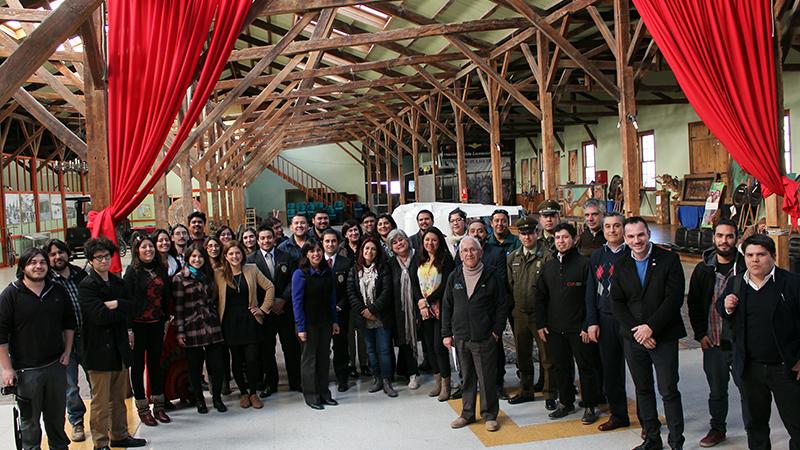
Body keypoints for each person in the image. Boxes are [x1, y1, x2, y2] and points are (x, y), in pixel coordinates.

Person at [718, 234, 800, 450]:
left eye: (761, 255)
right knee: (755, 426)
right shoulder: (736, 283)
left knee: (797, 425)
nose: (755, 260)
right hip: (750, 369)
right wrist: (726, 306)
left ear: (772, 256)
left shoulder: (791, 283)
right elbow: (722, 310)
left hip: (785, 369)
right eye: (750, 255)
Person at [611, 217, 685, 450]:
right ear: (625, 238)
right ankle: (652, 439)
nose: (637, 240)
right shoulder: (621, 264)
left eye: (640, 235)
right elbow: (617, 302)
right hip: (634, 339)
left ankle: (676, 442)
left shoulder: (668, 260)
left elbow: (673, 299)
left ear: (648, 234)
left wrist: (650, 328)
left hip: (663, 336)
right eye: (631, 236)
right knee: (643, 389)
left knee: (668, 390)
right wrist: (638, 332)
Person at [0, 248, 74, 450]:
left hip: (55, 367)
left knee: (57, 420)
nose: (38, 266)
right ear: (23, 267)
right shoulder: (10, 295)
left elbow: (69, 323)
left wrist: (67, 352)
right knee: (30, 425)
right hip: (27, 371)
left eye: (42, 262)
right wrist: (7, 369)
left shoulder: (57, 291)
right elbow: (1, 336)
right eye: (33, 262)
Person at [79, 237, 146, 449]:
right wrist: (121, 310)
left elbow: (134, 307)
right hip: (98, 350)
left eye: (107, 256)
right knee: (100, 402)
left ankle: (119, 435)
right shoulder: (87, 285)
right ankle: (100, 442)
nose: (104, 261)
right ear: (91, 260)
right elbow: (98, 316)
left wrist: (116, 304)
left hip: (119, 348)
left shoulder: (118, 282)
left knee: (119, 397)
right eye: (99, 258)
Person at [687, 218, 748, 447]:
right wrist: (699, 333)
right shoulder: (704, 269)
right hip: (712, 340)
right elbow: (693, 303)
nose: (724, 241)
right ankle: (717, 429)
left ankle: (754, 430)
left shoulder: (746, 267)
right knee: (717, 390)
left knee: (748, 390)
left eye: (729, 236)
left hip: (741, 343)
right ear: (713, 237)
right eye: (720, 236)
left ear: (737, 238)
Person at [535, 223, 601, 424]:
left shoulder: (584, 264)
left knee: (586, 368)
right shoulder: (549, 266)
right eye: (557, 238)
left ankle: (590, 405)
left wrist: (587, 325)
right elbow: (540, 296)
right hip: (555, 328)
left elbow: (591, 298)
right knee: (560, 367)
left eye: (565, 237)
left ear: (574, 239)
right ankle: (565, 402)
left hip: (579, 329)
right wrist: (541, 323)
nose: (561, 241)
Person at [441, 236, 507, 432]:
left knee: (486, 379)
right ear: (460, 255)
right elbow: (446, 306)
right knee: (467, 378)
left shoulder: (492, 276)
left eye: (472, 250)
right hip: (461, 337)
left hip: (485, 337)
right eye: (465, 251)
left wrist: (496, 332)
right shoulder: (455, 276)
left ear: (480, 252)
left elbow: (502, 306)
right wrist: (446, 333)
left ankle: (489, 415)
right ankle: (467, 414)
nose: (469, 254)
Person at [584, 212, 631, 431]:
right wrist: (592, 321)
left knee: (638, 371)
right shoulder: (597, 257)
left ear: (624, 229)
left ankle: (647, 419)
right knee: (611, 371)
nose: (612, 231)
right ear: (603, 231)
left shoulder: (633, 254)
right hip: (605, 319)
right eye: (608, 227)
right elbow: (591, 292)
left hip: (630, 321)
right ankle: (618, 414)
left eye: (617, 226)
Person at [214, 240, 274, 410]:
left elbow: (270, 287)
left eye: (237, 253)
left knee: (252, 359)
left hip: (250, 320)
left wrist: (263, 309)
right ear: (225, 256)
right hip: (229, 322)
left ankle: (253, 392)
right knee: (237, 360)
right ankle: (243, 393)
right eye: (231, 253)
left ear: (242, 254)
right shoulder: (218, 273)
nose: (235, 256)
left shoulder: (252, 269)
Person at [505, 218, 556, 408]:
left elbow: (552, 288)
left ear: (537, 233)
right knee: (523, 355)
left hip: (541, 315)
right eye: (523, 233)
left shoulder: (547, 257)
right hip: (520, 314)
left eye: (530, 233)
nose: (527, 237)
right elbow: (510, 286)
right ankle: (526, 390)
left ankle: (550, 393)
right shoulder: (513, 258)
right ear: (519, 235)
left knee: (547, 357)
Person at [247, 223, 301, 397]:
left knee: (290, 348)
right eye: (262, 238)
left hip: (285, 310)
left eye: (269, 237)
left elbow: (294, 280)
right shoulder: (250, 260)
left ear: (275, 238)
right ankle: (271, 384)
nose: (266, 241)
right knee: (267, 350)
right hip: (266, 312)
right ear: (257, 239)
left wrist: (282, 300)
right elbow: (252, 287)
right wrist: (269, 305)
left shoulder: (287, 256)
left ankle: (295, 381)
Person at [172, 244, 227, 414]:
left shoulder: (209, 275)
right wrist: (180, 331)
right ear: (188, 258)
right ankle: (200, 400)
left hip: (212, 326)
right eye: (193, 257)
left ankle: (217, 398)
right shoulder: (180, 278)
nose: (197, 260)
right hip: (192, 328)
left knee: (217, 365)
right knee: (195, 368)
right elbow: (178, 308)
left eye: (200, 256)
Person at [123, 235, 172, 426]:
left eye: (150, 246)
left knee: (155, 364)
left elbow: (166, 296)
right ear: (137, 250)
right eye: (144, 247)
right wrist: (129, 330)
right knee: (137, 367)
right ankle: (143, 409)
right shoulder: (132, 272)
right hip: (137, 325)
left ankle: (159, 406)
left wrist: (167, 317)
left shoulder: (161, 269)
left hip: (157, 323)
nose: (148, 250)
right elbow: (127, 301)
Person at [46, 239, 89, 442]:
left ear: (68, 253)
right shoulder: (47, 282)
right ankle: (77, 422)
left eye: (60, 252)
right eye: (53, 254)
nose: (57, 257)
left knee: (96, 380)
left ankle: (100, 420)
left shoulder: (80, 274)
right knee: (70, 386)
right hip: (63, 343)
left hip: (88, 338)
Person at [461, 218, 509, 400]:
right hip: (470, 316)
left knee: (495, 353)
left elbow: (501, 282)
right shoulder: (465, 251)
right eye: (472, 230)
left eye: (480, 230)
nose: (476, 234)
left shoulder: (496, 253)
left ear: (486, 233)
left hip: (489, 311)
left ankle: (497, 385)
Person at [292, 240, 340, 410]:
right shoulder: (300, 274)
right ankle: (312, 396)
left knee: (324, 359)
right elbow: (296, 302)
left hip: (325, 322)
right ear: (306, 254)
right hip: (308, 325)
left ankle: (324, 393)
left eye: (319, 250)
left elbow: (331, 299)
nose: (316, 254)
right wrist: (301, 327)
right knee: (309, 361)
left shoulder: (327, 272)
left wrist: (334, 320)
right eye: (311, 251)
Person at [347, 236, 397, 397]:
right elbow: (351, 292)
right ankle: (377, 379)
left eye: (373, 249)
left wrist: (373, 310)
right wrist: (363, 310)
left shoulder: (383, 268)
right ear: (362, 251)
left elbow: (387, 292)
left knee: (384, 350)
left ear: (377, 252)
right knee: (371, 350)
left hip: (381, 317)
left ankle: (387, 381)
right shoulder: (355, 269)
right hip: (363, 318)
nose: (369, 251)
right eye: (367, 248)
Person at [415, 227, 455, 401]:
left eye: (434, 240)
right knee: (429, 349)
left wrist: (428, 300)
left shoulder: (446, 260)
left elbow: (446, 285)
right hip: (424, 311)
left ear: (439, 242)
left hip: (441, 310)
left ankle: (446, 385)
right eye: (426, 240)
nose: (430, 243)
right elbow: (414, 283)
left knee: (439, 348)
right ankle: (437, 382)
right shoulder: (420, 259)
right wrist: (421, 302)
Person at [387, 229, 422, 390]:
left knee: (424, 340)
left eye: (401, 240)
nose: (399, 244)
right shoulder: (391, 263)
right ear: (391, 247)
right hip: (399, 309)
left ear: (407, 240)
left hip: (420, 306)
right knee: (405, 341)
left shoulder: (419, 257)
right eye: (394, 242)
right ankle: (412, 374)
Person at [321, 229, 353, 392]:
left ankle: (342, 378)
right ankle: (323, 379)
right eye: (327, 241)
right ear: (322, 243)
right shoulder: (316, 262)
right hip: (321, 314)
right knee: (322, 348)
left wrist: (339, 306)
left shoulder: (345, 263)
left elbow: (350, 289)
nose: (330, 244)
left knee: (340, 347)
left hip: (340, 312)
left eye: (333, 241)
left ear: (338, 243)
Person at [339, 221, 369, 379]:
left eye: (355, 230)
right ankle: (351, 363)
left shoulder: (366, 245)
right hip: (346, 298)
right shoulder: (341, 250)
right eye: (350, 231)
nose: (353, 233)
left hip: (363, 296)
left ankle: (364, 364)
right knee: (349, 335)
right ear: (345, 234)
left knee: (363, 333)